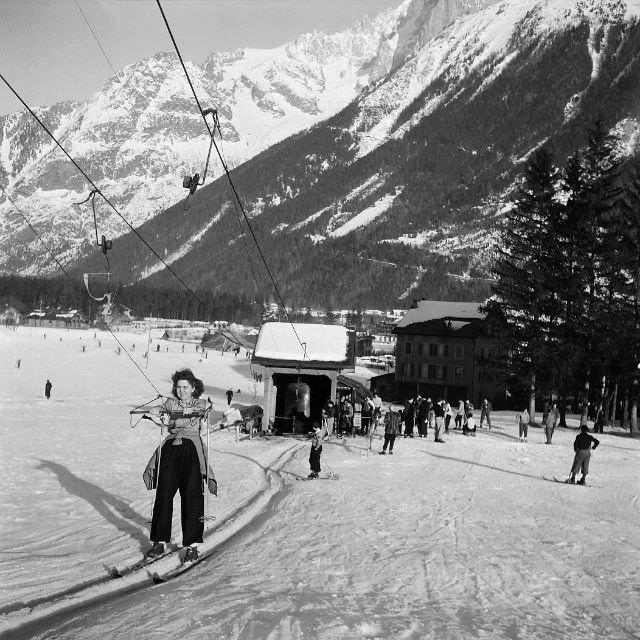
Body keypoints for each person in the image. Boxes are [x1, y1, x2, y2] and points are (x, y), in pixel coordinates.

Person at [142, 369, 217, 562]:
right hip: (171, 449)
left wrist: (193, 410)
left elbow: (206, 409)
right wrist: (157, 410)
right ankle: (159, 542)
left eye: (185, 387)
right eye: (178, 387)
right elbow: (163, 408)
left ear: (193, 388)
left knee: (192, 496)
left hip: (191, 450)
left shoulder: (200, 403)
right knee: (164, 494)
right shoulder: (171, 402)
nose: (181, 391)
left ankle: (192, 545)